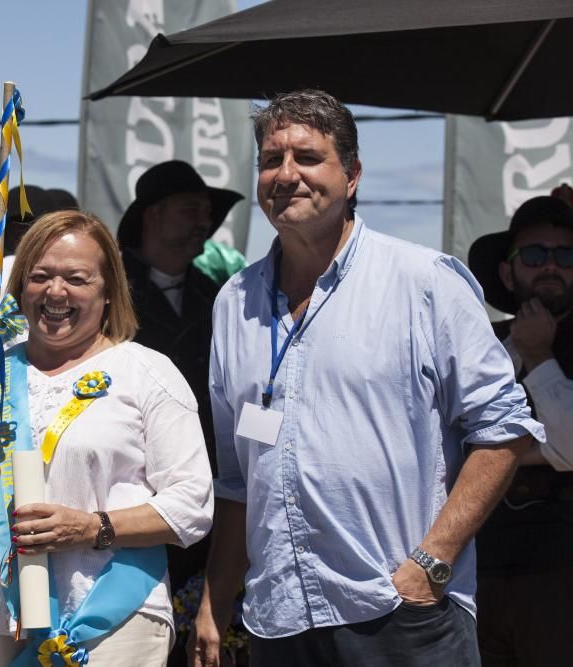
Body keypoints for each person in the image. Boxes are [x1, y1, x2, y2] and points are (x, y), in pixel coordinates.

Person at [191, 89, 544, 667]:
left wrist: (430, 564)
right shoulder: (235, 300)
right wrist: (215, 597)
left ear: (352, 176)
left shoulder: (424, 281)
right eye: (270, 159)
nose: (286, 174)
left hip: (400, 612)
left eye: (307, 157)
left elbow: (504, 429)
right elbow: (237, 477)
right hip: (278, 617)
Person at [0, 210, 214, 666]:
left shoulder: (147, 373)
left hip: (111, 618)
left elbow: (192, 505)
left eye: (76, 277)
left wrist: (92, 527)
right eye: (40, 276)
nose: (56, 291)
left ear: (109, 290)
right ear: (20, 288)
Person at [117, 160, 243, 666]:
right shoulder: (108, 294)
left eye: (207, 213)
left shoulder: (220, 300)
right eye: (191, 209)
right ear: (153, 215)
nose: (202, 223)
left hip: (208, 496)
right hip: (127, 501)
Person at [467, 193, 573, 666]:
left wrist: (540, 357)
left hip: (561, 575)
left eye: (565, 255)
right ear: (508, 273)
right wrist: (537, 450)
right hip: (479, 569)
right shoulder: (480, 343)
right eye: (533, 255)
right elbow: (455, 443)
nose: (550, 266)